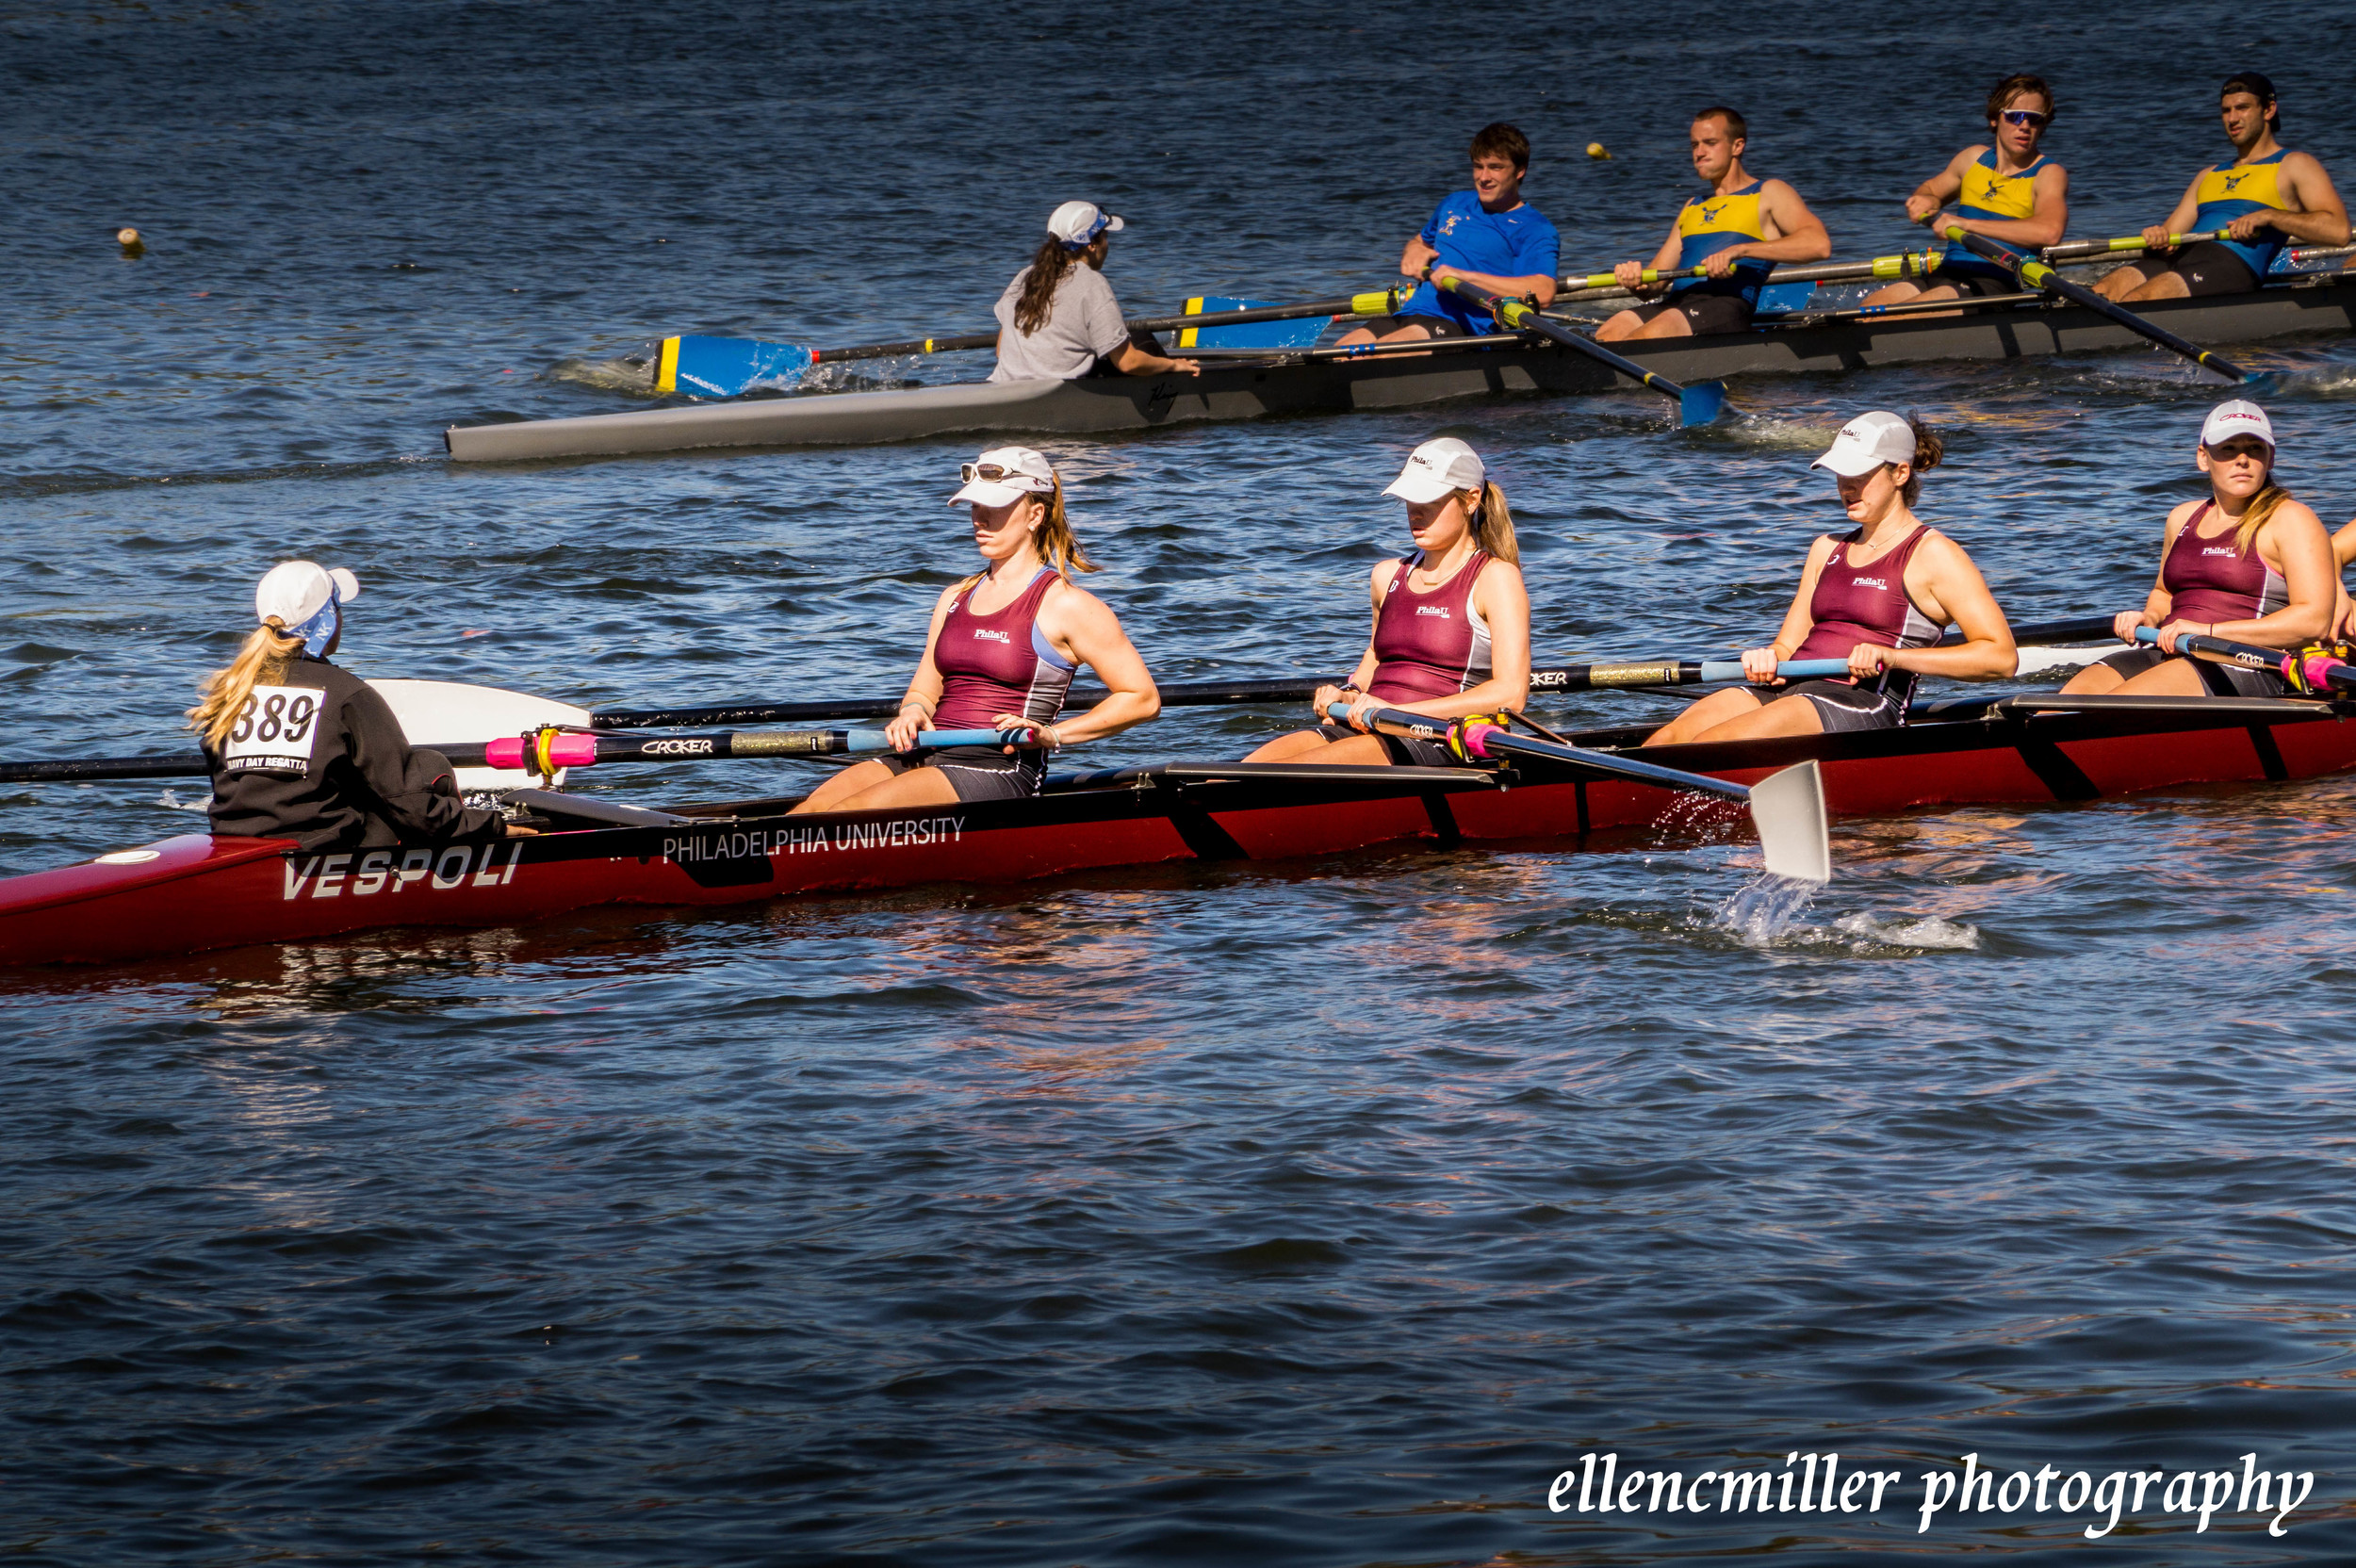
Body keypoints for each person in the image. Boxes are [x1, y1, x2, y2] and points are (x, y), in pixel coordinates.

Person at [793, 447, 1160, 812]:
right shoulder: (954, 597)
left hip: (996, 768)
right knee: (807, 812)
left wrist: (1053, 734)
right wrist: (913, 712)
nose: (979, 520)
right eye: (974, 507)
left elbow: (1141, 698)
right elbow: (924, 687)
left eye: (995, 508)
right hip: (924, 755)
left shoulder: (1068, 605)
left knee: (845, 815)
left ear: (1035, 515)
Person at [1645, 413, 2015, 745]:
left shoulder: (1934, 554)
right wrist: (1767, 658)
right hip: (1790, 689)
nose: (1846, 487)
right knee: (1668, 741)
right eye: (1841, 474)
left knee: (1715, 743)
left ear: (1900, 473)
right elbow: (1787, 646)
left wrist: (1894, 658)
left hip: (1861, 703)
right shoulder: (1825, 548)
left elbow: (2000, 657)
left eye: (1860, 475)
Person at [189, 562, 528, 850]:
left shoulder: (231, 689)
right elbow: (408, 803)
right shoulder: (347, 693)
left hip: (235, 840)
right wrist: (492, 826)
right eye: (337, 607)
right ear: (327, 620)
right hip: (322, 846)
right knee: (427, 765)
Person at [1246, 438, 1530, 766]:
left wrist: (1398, 712)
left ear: (1471, 500)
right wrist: (1349, 692)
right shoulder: (1386, 575)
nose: (1415, 512)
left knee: (1274, 779)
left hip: (1440, 737)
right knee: (1220, 779)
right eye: (1410, 498)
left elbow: (1510, 694)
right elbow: (1376, 657)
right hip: (1370, 726)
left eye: (1428, 500)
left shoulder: (1495, 578)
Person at [2064, 401, 2332, 697]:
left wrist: (2209, 631)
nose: (2242, 460)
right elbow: (2164, 593)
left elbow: (2314, 621)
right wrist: (2149, 617)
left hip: (2250, 662)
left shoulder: (2291, 519)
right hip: (2172, 650)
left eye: (2255, 449)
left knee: (2109, 709)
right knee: (2052, 708)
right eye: (2228, 449)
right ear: (2204, 458)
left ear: (2270, 459)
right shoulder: (2182, 517)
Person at [2095, 74, 2349, 302]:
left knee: (2141, 298)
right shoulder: (2208, 175)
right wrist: (2156, 239)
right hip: (2179, 259)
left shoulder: (2295, 164)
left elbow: (2338, 232)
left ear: (2269, 110)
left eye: (2242, 108)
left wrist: (2270, 216)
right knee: (2104, 290)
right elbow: (2170, 236)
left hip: (2231, 265)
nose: (2232, 118)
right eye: (2226, 111)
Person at [1596, 106, 1832, 340]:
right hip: (1675, 306)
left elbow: (1818, 245)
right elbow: (1654, 285)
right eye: (1694, 145)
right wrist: (1636, 280)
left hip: (1725, 307)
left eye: (1710, 143)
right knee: (1608, 334)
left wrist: (1740, 250)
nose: (1699, 152)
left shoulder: (1768, 193)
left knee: (1649, 335)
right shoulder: (1692, 206)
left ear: (1737, 146)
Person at [1338, 123, 1561, 346]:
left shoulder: (1535, 228)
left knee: (1379, 352)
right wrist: (1413, 250)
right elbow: (1420, 241)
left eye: (1495, 167)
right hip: (1413, 312)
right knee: (1339, 351)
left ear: (1520, 170)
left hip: (1463, 326)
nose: (1483, 177)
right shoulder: (1454, 203)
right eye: (1478, 166)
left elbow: (1543, 292)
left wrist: (1465, 277)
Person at [1860, 74, 2069, 310]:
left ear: (2043, 125)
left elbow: (2050, 232)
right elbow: (1930, 189)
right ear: (1994, 118)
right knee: (1868, 310)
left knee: (1901, 316)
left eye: (2035, 119)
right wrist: (1926, 199)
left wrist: (1967, 225)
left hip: (1995, 283)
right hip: (1946, 273)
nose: (2024, 126)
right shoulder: (1971, 159)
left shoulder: (2048, 173)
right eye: (2015, 116)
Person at [989, 202, 1200, 383]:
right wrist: (1174, 366)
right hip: (1059, 392)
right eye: (1106, 236)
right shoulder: (1091, 282)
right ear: (1093, 244)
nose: (1108, 245)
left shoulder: (1025, 277)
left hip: (1005, 385)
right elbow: (1129, 363)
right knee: (1142, 339)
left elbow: (1001, 351)